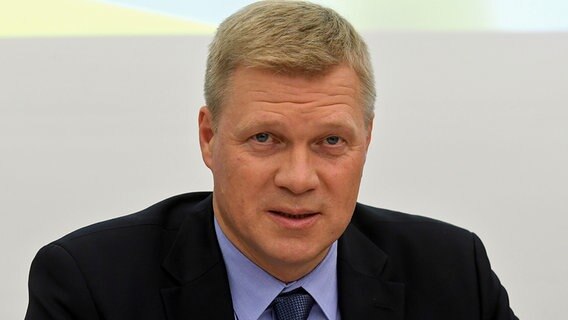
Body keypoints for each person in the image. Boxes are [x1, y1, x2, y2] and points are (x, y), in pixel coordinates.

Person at [25, 1, 518, 319]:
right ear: (209, 137)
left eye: (330, 141)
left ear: (366, 139)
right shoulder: (91, 286)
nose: (299, 179)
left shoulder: (453, 272)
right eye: (265, 138)